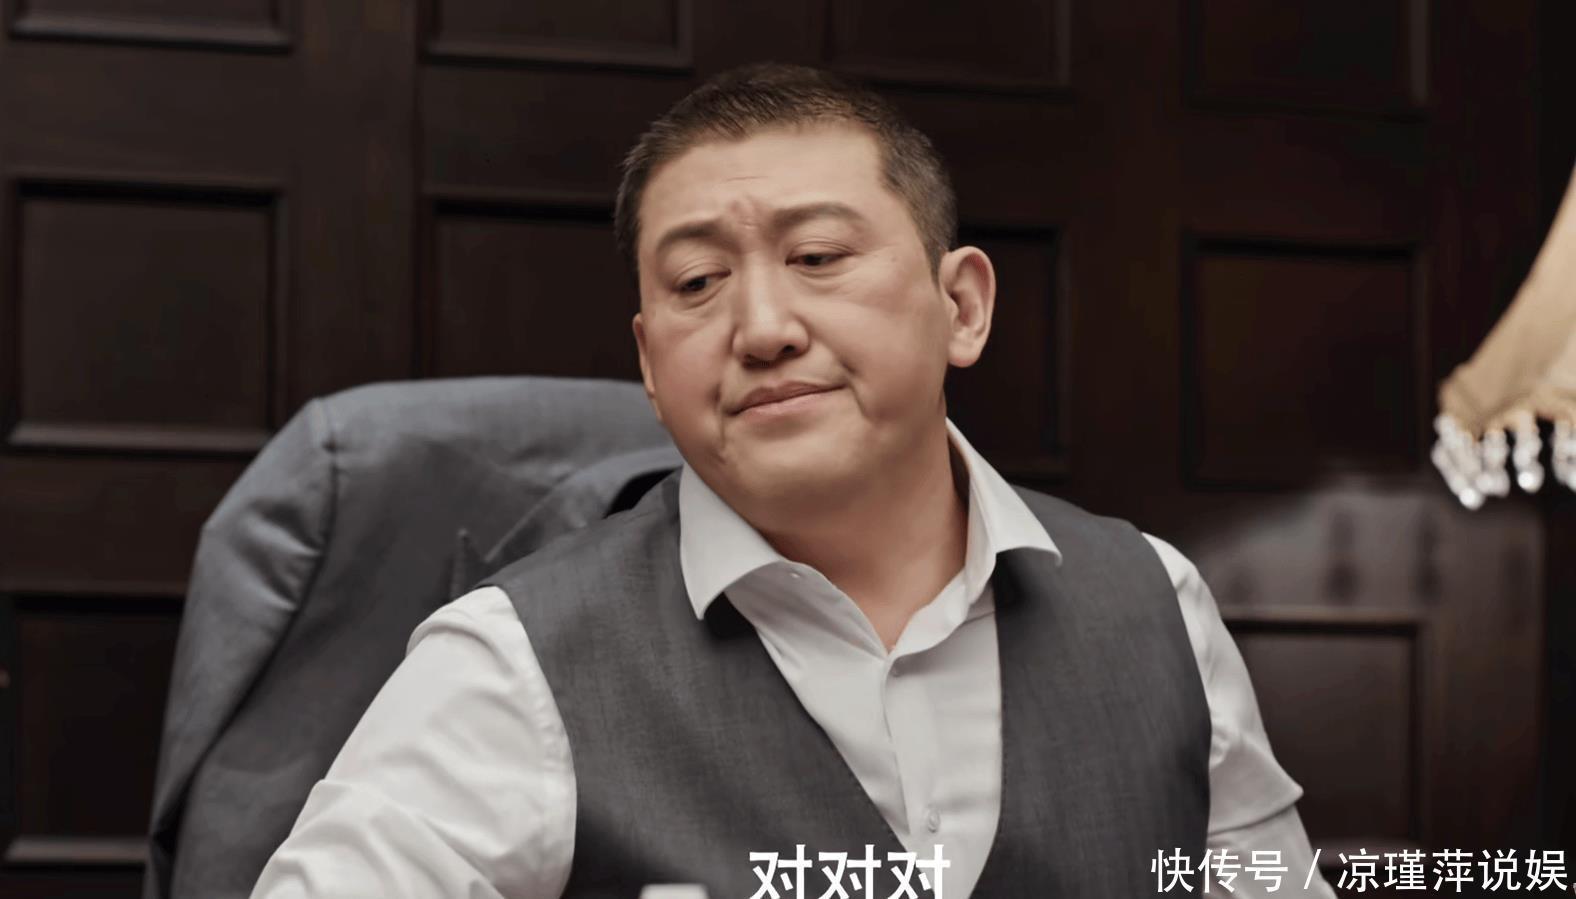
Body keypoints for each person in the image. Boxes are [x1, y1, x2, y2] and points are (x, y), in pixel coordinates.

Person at [251, 63, 1334, 898]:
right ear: (649, 363)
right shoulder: (511, 662)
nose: (762, 327)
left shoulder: (1154, 604)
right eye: (697, 281)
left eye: (817, 257)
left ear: (960, 307)